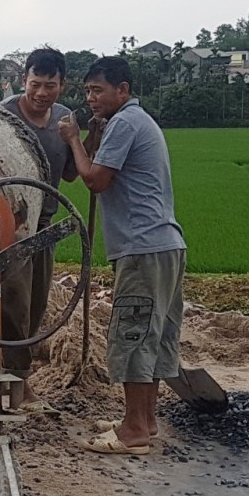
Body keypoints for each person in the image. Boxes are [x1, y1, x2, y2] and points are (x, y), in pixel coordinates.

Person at [58, 56, 186, 456]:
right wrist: (93, 134)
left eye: (98, 90)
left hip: (142, 249)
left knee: (133, 333)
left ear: (123, 90)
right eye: (87, 91)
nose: (91, 98)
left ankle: (132, 431)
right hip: (164, 245)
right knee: (153, 334)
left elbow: (94, 179)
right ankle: (144, 421)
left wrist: (74, 139)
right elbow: (101, 163)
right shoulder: (131, 121)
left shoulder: (126, 122)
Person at [0, 47, 81, 414]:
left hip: (43, 227)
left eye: (50, 85)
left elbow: (70, 175)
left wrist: (84, 139)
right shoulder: (2, 117)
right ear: (23, 81)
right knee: (12, 305)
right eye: (35, 84)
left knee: (35, 308)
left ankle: (15, 381)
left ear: (62, 85)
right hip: (8, 228)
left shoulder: (66, 120)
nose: (42, 93)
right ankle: (15, 387)